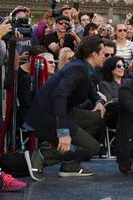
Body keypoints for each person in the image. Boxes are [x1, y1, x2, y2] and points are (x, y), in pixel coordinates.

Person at [24, 36, 106, 181]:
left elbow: (89, 88)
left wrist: (98, 101)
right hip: (48, 116)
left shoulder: (83, 66)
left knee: (96, 118)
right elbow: (59, 96)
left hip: (61, 112)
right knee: (93, 148)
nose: (105, 57)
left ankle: (70, 165)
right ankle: (42, 155)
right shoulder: (77, 69)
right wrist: (63, 132)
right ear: (94, 54)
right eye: (103, 54)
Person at [99, 56, 126, 128]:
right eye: (119, 66)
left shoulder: (129, 82)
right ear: (111, 68)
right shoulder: (104, 84)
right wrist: (127, 98)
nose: (122, 68)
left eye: (124, 65)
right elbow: (109, 101)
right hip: (114, 115)